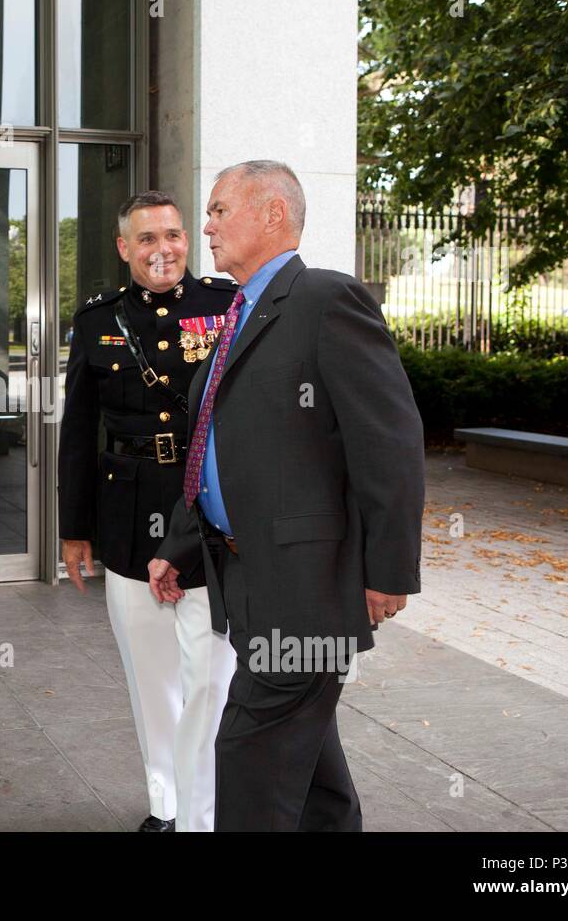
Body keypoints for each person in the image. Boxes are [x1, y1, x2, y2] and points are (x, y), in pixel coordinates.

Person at [148, 161, 425, 831]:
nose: (205, 227)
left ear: (273, 214)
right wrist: (180, 546)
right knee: (310, 770)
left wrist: (388, 571)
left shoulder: (327, 300)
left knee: (249, 756)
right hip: (249, 577)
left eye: (218, 211)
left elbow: (388, 443)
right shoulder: (237, 311)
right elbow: (217, 450)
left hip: (307, 590)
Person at [58, 191, 239, 832]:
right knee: (150, 676)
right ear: (122, 247)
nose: (163, 249)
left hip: (209, 512)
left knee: (211, 678)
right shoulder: (97, 320)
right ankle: (166, 805)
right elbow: (78, 430)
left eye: (174, 235)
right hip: (130, 510)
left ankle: (202, 811)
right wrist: (74, 529)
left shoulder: (225, 305)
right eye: (147, 239)